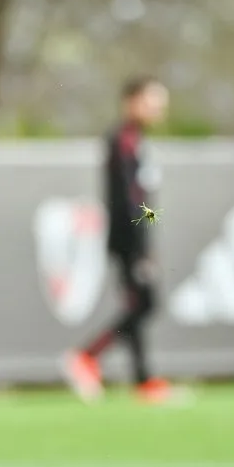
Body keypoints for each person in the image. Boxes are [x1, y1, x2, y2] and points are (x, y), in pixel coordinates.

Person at [62, 75, 176, 403]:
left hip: (135, 238)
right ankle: (87, 356)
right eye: (152, 101)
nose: (159, 109)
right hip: (129, 240)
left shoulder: (136, 140)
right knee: (144, 304)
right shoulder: (122, 139)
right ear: (133, 101)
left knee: (138, 304)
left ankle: (143, 379)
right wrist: (140, 246)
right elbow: (128, 200)